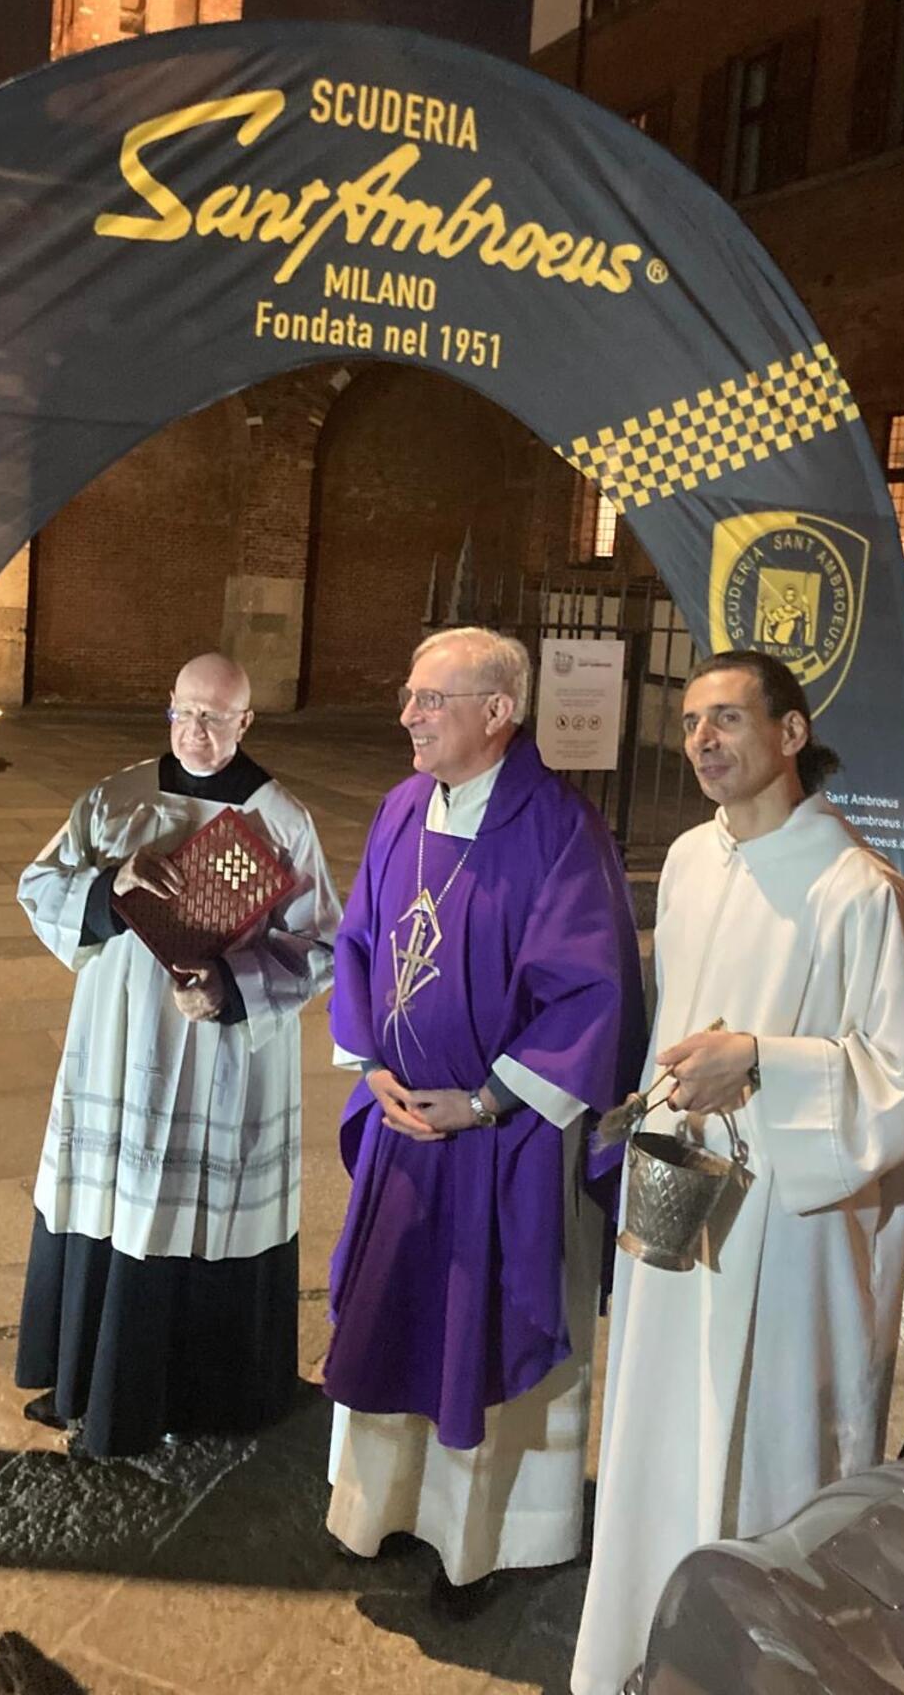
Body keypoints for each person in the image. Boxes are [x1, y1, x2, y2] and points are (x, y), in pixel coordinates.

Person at [572, 650, 904, 1695]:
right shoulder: (690, 862)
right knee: (662, 1427)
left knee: (766, 1449)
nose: (703, 739)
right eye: (692, 720)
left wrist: (762, 1063)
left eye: (729, 718)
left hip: (792, 1235)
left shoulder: (859, 890)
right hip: (685, 1209)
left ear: (791, 735)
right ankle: (646, 1646)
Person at [323, 627, 645, 1614]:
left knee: (484, 1332)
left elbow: (592, 993)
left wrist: (486, 1101)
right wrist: (372, 1065)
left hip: (503, 1139)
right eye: (411, 697)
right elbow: (360, 942)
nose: (408, 717)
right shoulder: (401, 807)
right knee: (394, 1318)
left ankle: (485, 1541)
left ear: (499, 713)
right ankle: (376, 1509)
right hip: (404, 1128)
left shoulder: (561, 831)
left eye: (431, 700)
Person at [14, 651, 340, 1457]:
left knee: (197, 1209)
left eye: (215, 717)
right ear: (168, 707)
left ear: (245, 721)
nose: (196, 731)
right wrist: (108, 891)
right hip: (117, 1037)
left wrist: (232, 985)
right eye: (184, 712)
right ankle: (88, 1380)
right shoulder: (116, 799)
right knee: (110, 1197)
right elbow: (38, 884)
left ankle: (204, 1397)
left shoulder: (279, 820)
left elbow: (322, 944)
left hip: (214, 1055)